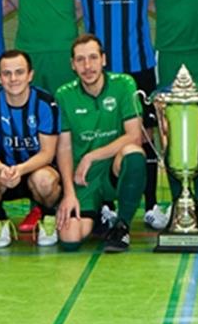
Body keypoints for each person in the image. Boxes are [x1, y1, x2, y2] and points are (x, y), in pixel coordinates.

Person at [71, 0, 161, 223]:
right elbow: (77, 10)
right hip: (101, 69)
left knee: (146, 135)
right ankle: (107, 202)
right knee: (103, 132)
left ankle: (150, 206)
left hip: (139, 65)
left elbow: (152, 5)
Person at [55, 35, 148, 253]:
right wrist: (69, 193)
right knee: (70, 240)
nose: (87, 66)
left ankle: (121, 225)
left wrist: (91, 155)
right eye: (80, 60)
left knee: (134, 153)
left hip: (111, 170)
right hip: (83, 178)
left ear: (103, 59)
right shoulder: (64, 95)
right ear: (72, 65)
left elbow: (134, 135)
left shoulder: (124, 84)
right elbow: (64, 148)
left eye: (93, 58)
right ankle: (99, 215)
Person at [0, 50, 62, 248]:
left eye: (19, 72)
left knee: (45, 180)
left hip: (34, 174)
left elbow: (48, 153)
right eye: (7, 73)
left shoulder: (46, 104)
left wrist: (20, 170)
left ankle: (48, 218)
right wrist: (2, 169)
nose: (13, 79)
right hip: (2, 176)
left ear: (30, 75)